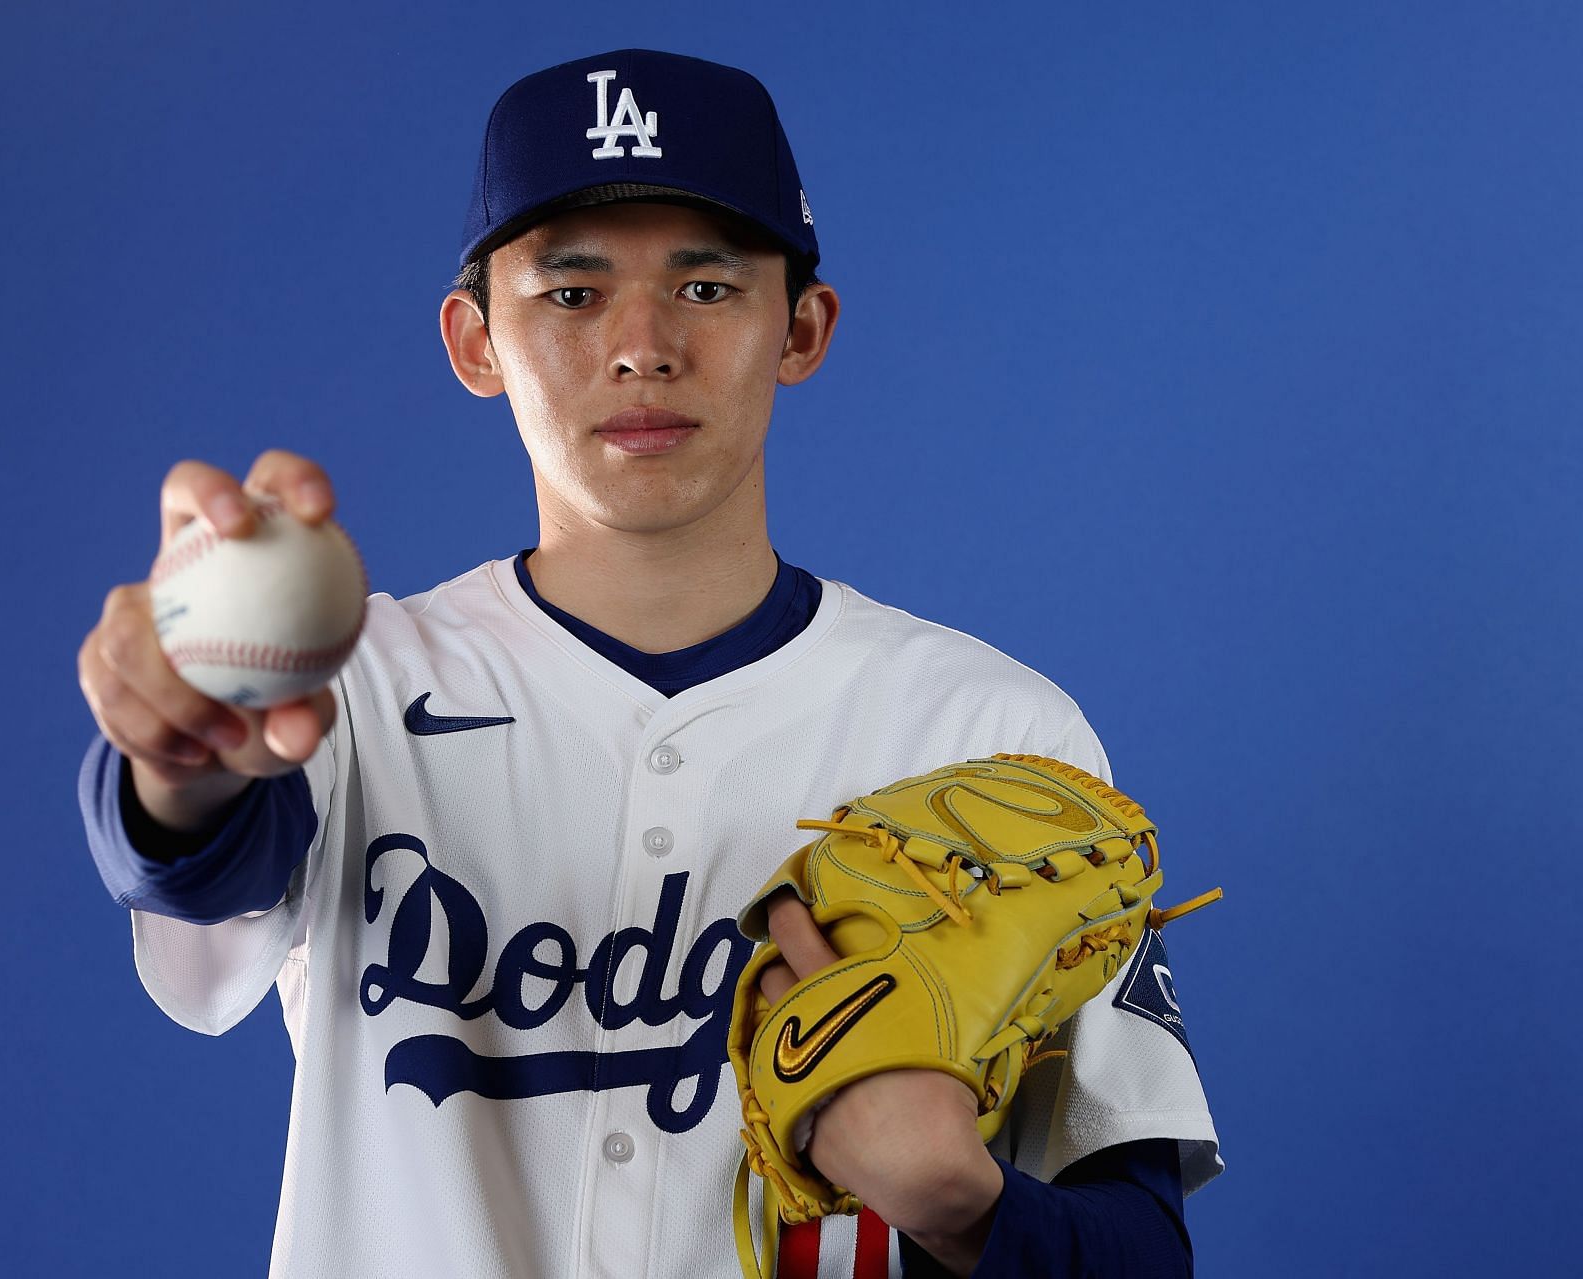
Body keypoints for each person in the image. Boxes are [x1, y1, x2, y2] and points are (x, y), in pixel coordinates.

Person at [76, 48, 1221, 1278]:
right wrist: (176, 757)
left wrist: (965, 1201)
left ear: (804, 326)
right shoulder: (347, 692)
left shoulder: (996, 730)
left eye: (710, 286)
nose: (642, 346)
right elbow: (197, 862)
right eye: (570, 294)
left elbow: (1139, 1247)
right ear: (476, 342)